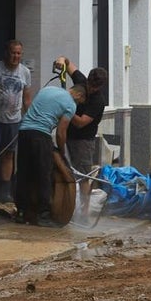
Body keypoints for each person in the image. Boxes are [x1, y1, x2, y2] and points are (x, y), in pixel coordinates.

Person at [14, 84, 86, 226]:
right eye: (79, 102)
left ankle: (21, 213)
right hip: (41, 136)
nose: (77, 104)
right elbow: (61, 132)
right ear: (78, 95)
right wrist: (62, 152)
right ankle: (44, 215)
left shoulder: (48, 89)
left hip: (23, 132)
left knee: (23, 174)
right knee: (43, 176)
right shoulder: (71, 104)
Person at [58, 56, 109, 221]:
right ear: (87, 79)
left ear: (101, 86)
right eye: (90, 85)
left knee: (83, 176)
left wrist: (67, 104)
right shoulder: (80, 80)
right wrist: (61, 61)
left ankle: (84, 212)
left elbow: (81, 123)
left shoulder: (98, 101)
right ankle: (64, 205)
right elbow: (67, 61)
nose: (91, 89)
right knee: (62, 171)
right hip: (66, 134)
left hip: (83, 141)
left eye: (95, 87)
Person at [0, 40, 34, 203]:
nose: (15, 56)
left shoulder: (25, 72)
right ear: (6, 52)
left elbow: (27, 99)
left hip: (14, 120)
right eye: (13, 52)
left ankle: (5, 191)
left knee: (9, 154)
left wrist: (30, 118)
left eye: (18, 53)